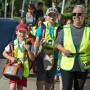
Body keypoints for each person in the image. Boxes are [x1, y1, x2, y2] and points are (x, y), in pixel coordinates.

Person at [56, 5, 90, 90]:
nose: (76, 16)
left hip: (83, 64)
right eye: (74, 14)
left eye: (79, 14)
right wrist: (63, 50)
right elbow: (57, 43)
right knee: (66, 88)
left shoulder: (88, 30)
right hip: (67, 63)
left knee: (79, 88)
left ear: (85, 15)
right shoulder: (65, 29)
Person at [34, 7, 61, 90]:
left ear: (57, 16)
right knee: (41, 77)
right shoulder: (42, 27)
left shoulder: (60, 28)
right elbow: (37, 41)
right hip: (42, 56)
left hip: (54, 56)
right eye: (50, 15)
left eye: (54, 15)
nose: (52, 17)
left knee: (50, 79)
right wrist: (35, 53)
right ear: (46, 16)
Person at [3, 23, 34, 90]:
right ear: (16, 32)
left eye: (24, 32)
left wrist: (28, 50)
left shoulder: (30, 44)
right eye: (20, 32)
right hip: (13, 67)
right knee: (12, 87)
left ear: (27, 33)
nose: (22, 34)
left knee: (20, 87)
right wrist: (10, 58)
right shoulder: (12, 43)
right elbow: (4, 53)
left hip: (24, 69)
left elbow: (32, 58)